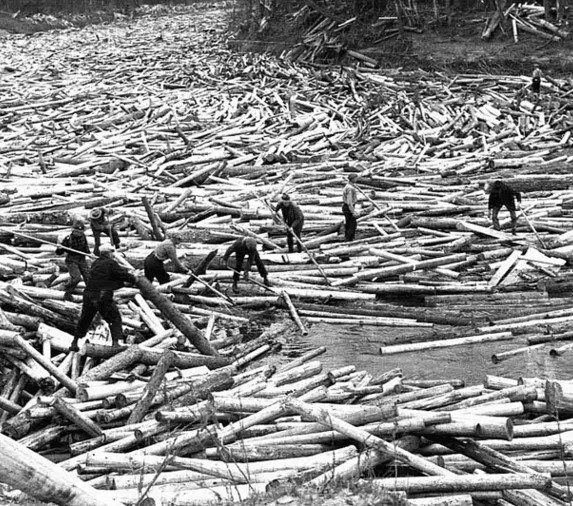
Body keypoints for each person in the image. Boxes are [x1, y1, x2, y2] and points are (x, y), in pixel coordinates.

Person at [69, 244, 136, 352]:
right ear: (109, 253)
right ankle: (116, 343)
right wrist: (134, 278)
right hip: (102, 295)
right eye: (112, 253)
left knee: (85, 319)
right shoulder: (111, 263)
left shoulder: (96, 263)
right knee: (114, 317)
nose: (113, 255)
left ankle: (74, 342)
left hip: (89, 293)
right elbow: (121, 274)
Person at [56, 220, 91, 302]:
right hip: (71, 260)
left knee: (88, 278)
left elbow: (86, 248)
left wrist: (89, 254)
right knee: (76, 278)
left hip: (82, 259)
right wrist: (59, 248)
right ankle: (66, 290)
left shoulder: (83, 236)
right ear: (73, 230)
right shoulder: (68, 238)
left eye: (80, 231)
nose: (79, 233)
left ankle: (91, 294)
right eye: (77, 231)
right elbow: (59, 253)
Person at [342, 174, 358, 241]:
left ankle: (347, 238)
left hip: (347, 207)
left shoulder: (349, 186)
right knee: (352, 224)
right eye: (355, 178)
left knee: (349, 223)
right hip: (348, 207)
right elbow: (349, 202)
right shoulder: (350, 188)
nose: (356, 179)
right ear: (353, 179)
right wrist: (353, 211)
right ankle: (349, 239)